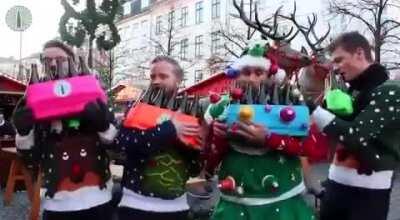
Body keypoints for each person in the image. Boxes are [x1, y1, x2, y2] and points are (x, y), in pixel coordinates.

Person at [207, 40, 325, 220]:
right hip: (235, 203)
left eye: (259, 72)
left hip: (282, 202)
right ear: (237, 75)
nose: (252, 79)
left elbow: (311, 147)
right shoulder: (222, 107)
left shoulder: (291, 103)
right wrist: (217, 137)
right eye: (246, 72)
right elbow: (208, 162)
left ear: (271, 75)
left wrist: (270, 138)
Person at [12, 40, 117, 220]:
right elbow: (30, 159)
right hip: (57, 203)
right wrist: (23, 133)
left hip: (99, 198)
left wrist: (104, 126)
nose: (53, 64)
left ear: (72, 62)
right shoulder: (35, 96)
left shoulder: (90, 91)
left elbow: (115, 146)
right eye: (46, 61)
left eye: (60, 59)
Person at [311, 31, 400, 220]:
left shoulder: (391, 91)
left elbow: (355, 135)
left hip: (366, 197)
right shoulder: (352, 92)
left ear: (360, 53)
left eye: (339, 60)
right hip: (336, 187)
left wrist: (315, 111)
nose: (335, 68)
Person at [115, 56, 202, 220]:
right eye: (153, 76)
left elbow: (195, 168)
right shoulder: (137, 110)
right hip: (135, 206)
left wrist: (193, 148)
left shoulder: (190, 113)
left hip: (176, 208)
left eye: (163, 76)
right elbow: (122, 145)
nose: (156, 81)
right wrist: (169, 129)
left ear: (178, 80)